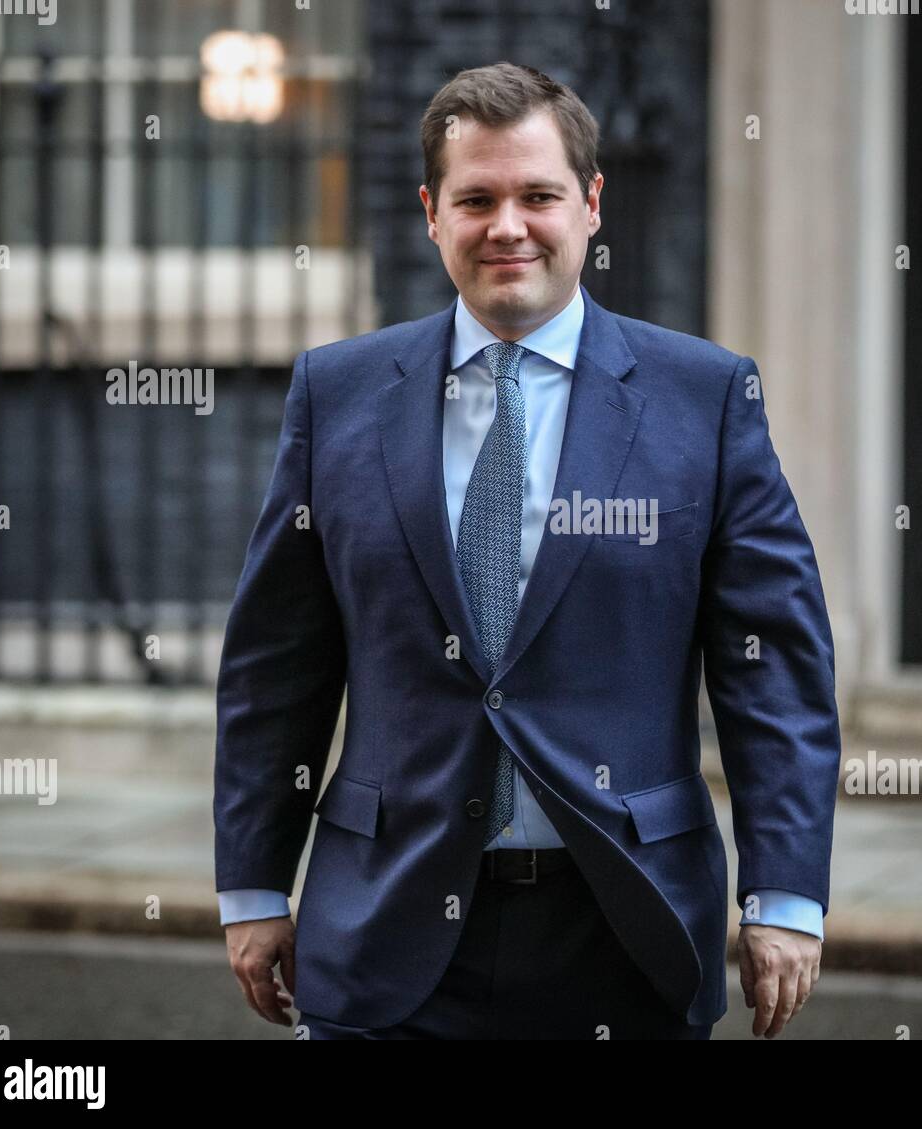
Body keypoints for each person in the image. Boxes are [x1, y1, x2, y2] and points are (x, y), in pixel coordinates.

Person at [215, 61, 840, 1041]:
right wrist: (253, 879)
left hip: (622, 932)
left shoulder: (705, 400)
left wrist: (786, 895)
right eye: (476, 198)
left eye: (538, 195)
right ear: (431, 213)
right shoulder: (335, 396)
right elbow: (274, 664)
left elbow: (777, 672)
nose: (507, 225)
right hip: (386, 933)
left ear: (590, 206)